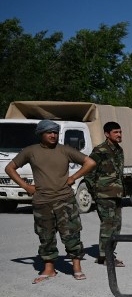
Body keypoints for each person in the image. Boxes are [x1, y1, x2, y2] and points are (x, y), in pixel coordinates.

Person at [4, 119, 96, 283]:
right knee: (45, 236)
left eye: (55, 132)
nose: (53, 135)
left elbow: (90, 162)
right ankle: (49, 268)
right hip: (42, 201)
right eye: (49, 132)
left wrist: (73, 177)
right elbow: (9, 168)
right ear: (41, 134)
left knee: (71, 234)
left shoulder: (65, 150)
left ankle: (76, 267)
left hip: (64, 200)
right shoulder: (30, 151)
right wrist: (26, 187)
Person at [84, 121, 125, 266]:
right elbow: (88, 172)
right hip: (104, 194)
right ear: (107, 134)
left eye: (120, 132)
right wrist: (94, 191)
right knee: (108, 224)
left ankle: (105, 254)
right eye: (116, 132)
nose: (119, 135)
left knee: (117, 225)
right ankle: (106, 257)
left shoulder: (118, 150)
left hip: (117, 193)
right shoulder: (99, 151)